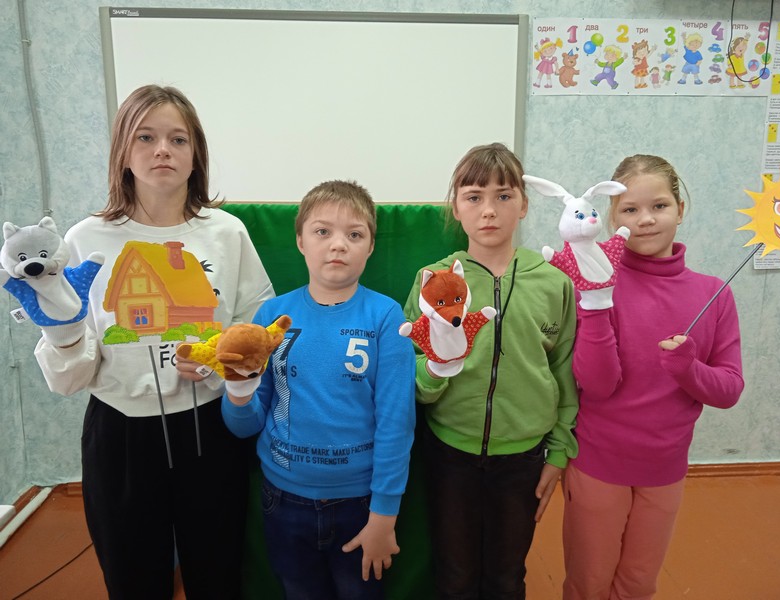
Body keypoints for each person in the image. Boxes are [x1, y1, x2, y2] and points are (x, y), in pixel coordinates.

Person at [34, 84, 273, 599]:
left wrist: (219, 363)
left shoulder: (226, 233)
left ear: (195, 154)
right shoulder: (84, 240)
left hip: (209, 428)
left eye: (178, 139)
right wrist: (64, 336)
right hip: (120, 435)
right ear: (123, 151)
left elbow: (255, 331)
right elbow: (69, 377)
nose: (163, 149)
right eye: (146, 137)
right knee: (132, 579)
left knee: (218, 575)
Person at [561, 154, 744, 600]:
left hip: (665, 469)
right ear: (612, 219)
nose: (645, 219)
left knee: (639, 583)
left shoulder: (714, 293)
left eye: (659, 206)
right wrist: (596, 306)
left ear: (680, 209)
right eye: (630, 209)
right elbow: (597, 384)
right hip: (597, 465)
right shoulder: (593, 281)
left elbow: (729, 390)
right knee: (589, 582)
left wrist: (688, 368)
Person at [221, 180, 416, 599]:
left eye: (355, 234)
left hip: (361, 503)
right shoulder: (273, 316)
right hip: (283, 499)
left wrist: (384, 513)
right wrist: (237, 391)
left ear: (371, 246)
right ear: (300, 241)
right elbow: (244, 425)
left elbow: (396, 423)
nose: (338, 245)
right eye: (322, 231)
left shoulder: (386, 317)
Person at [404, 142, 579, 599]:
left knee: (506, 577)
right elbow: (413, 372)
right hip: (449, 453)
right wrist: (435, 369)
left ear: (523, 204)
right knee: (455, 575)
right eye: (474, 196)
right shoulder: (432, 281)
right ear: (456, 208)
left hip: (524, 457)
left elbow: (564, 370)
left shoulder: (554, 283)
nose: (489, 210)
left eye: (504, 195)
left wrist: (559, 452)